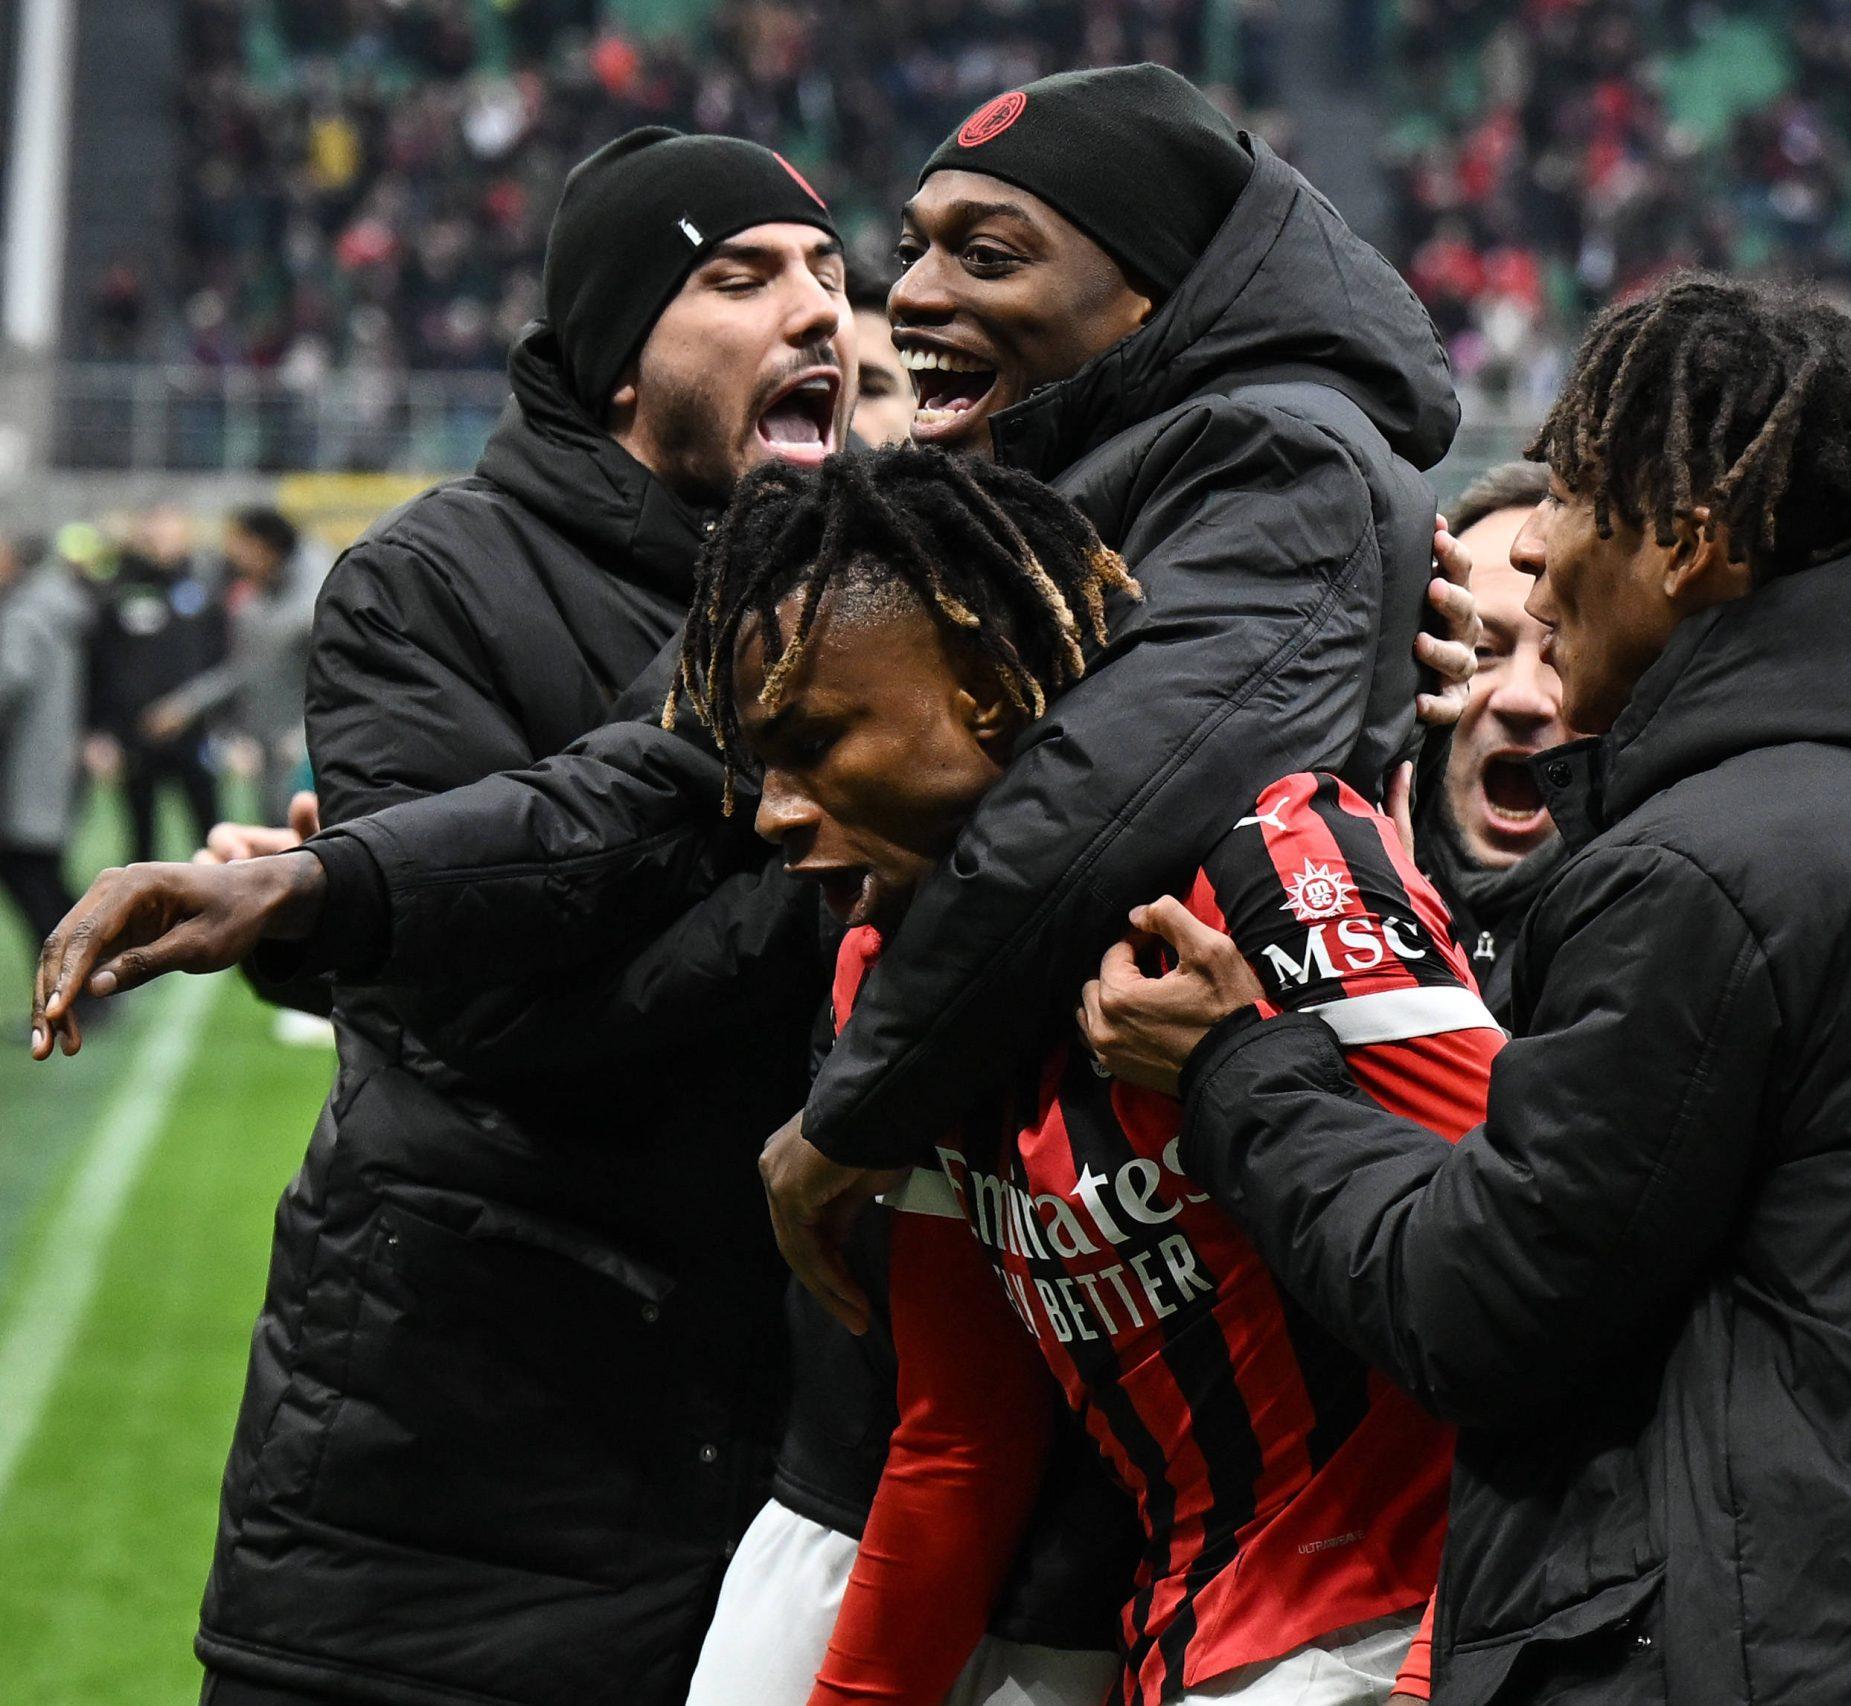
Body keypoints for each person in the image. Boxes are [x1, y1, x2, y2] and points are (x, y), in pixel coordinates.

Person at [33, 65, 1473, 1352]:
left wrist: (854, 1104)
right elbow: (632, 798)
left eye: (974, 255)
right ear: (612, 356)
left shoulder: (1264, 461)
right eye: (900, 255)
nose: (885, 303)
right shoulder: (444, 582)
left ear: (1153, 290)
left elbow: (1087, 809)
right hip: (551, 1380)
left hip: (1171, 1300)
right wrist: (327, 887)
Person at [1082, 273, 1851, 1704]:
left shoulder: (1713, 866)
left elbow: (1475, 1304)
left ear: (1686, 542)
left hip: (1828, 1642)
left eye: (1581, 507)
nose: (1541, 561)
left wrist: (1237, 1068)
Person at [175, 128, 854, 1706]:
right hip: (438, 1507)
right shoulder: (425, 585)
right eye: (742, 277)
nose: (817, 310)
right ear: (618, 363)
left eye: (831, 274)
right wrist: (827, 881)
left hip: (751, 1482)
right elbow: (474, 1006)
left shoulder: (874, 588)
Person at [684, 447, 1497, 1706]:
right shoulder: (887, 987)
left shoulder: (1274, 872)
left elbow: (1550, 1286)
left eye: (816, 741)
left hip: (1395, 1631)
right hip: (1182, 1648)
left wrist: (1440, 1677)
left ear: (992, 699)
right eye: (760, 762)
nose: (772, 810)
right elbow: (963, 1434)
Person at [1402, 460, 1571, 1019]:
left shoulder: (1659, 921)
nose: (1521, 698)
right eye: (1482, 651)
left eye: (1560, 651)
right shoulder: (1324, 869)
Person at [142, 507, 327, 827]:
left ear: (262, 546)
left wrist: (303, 734)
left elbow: (340, 678)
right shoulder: (254, 605)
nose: (231, 558)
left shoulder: (318, 599)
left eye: (238, 546)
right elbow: (243, 668)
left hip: (311, 754)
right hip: (269, 748)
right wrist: (186, 704)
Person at [87, 505, 226, 862]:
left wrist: (200, 712)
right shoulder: (118, 593)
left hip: (193, 732)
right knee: (141, 843)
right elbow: (101, 668)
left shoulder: (205, 589)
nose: (162, 541)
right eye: (154, 533)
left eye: (170, 532)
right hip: (137, 735)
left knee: (212, 834)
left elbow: (222, 664)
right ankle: (150, 917)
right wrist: (101, 732)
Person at [0, 532, 95, 943]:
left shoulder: (25, 614)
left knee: (32, 879)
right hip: (49, 765)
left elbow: (9, 682)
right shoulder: (54, 606)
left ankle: (83, 981)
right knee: (40, 878)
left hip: (27, 771)